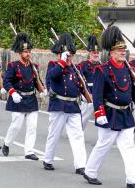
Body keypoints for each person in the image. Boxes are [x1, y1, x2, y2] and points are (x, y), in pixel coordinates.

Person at [84, 26, 135, 188]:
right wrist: (99, 113)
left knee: (129, 147)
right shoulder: (102, 70)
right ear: (111, 52)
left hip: (126, 114)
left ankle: (132, 180)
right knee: (104, 144)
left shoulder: (128, 69)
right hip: (109, 113)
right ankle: (90, 171)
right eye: (119, 50)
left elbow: (131, 90)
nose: (123, 52)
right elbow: (96, 95)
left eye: (124, 50)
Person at [43, 33, 87, 175]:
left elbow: (81, 86)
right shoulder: (54, 65)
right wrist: (62, 62)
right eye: (67, 55)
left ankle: (81, 165)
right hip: (59, 105)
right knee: (54, 134)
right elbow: (52, 76)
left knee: (78, 136)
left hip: (73, 106)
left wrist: (86, 95)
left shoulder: (76, 69)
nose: (70, 58)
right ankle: (48, 159)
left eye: (71, 55)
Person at [2, 32, 48, 159]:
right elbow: (6, 81)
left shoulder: (34, 67)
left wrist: (43, 90)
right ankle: (7, 143)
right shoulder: (13, 66)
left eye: (29, 51)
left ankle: (29, 151)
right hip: (18, 99)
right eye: (25, 51)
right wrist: (12, 92)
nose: (28, 53)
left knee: (32, 127)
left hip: (31, 99)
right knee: (16, 125)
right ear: (20, 53)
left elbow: (37, 81)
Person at [77, 35, 101, 129]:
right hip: (88, 94)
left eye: (97, 53)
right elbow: (79, 79)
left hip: (99, 95)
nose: (96, 55)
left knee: (101, 118)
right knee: (83, 118)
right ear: (90, 53)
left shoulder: (101, 65)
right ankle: (77, 132)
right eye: (94, 53)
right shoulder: (83, 65)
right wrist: (84, 93)